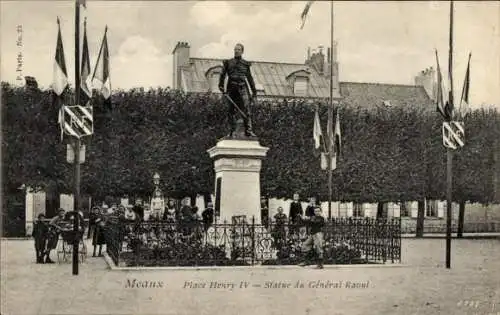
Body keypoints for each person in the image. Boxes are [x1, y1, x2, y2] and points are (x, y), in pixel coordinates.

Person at [218, 43, 258, 138]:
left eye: (238, 49)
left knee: (246, 108)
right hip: (231, 88)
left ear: (242, 51)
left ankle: (248, 131)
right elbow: (223, 75)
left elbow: (249, 78)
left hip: (242, 87)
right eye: (235, 49)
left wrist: (254, 91)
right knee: (230, 110)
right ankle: (231, 131)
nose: (236, 51)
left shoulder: (245, 64)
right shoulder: (228, 62)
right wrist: (220, 85)